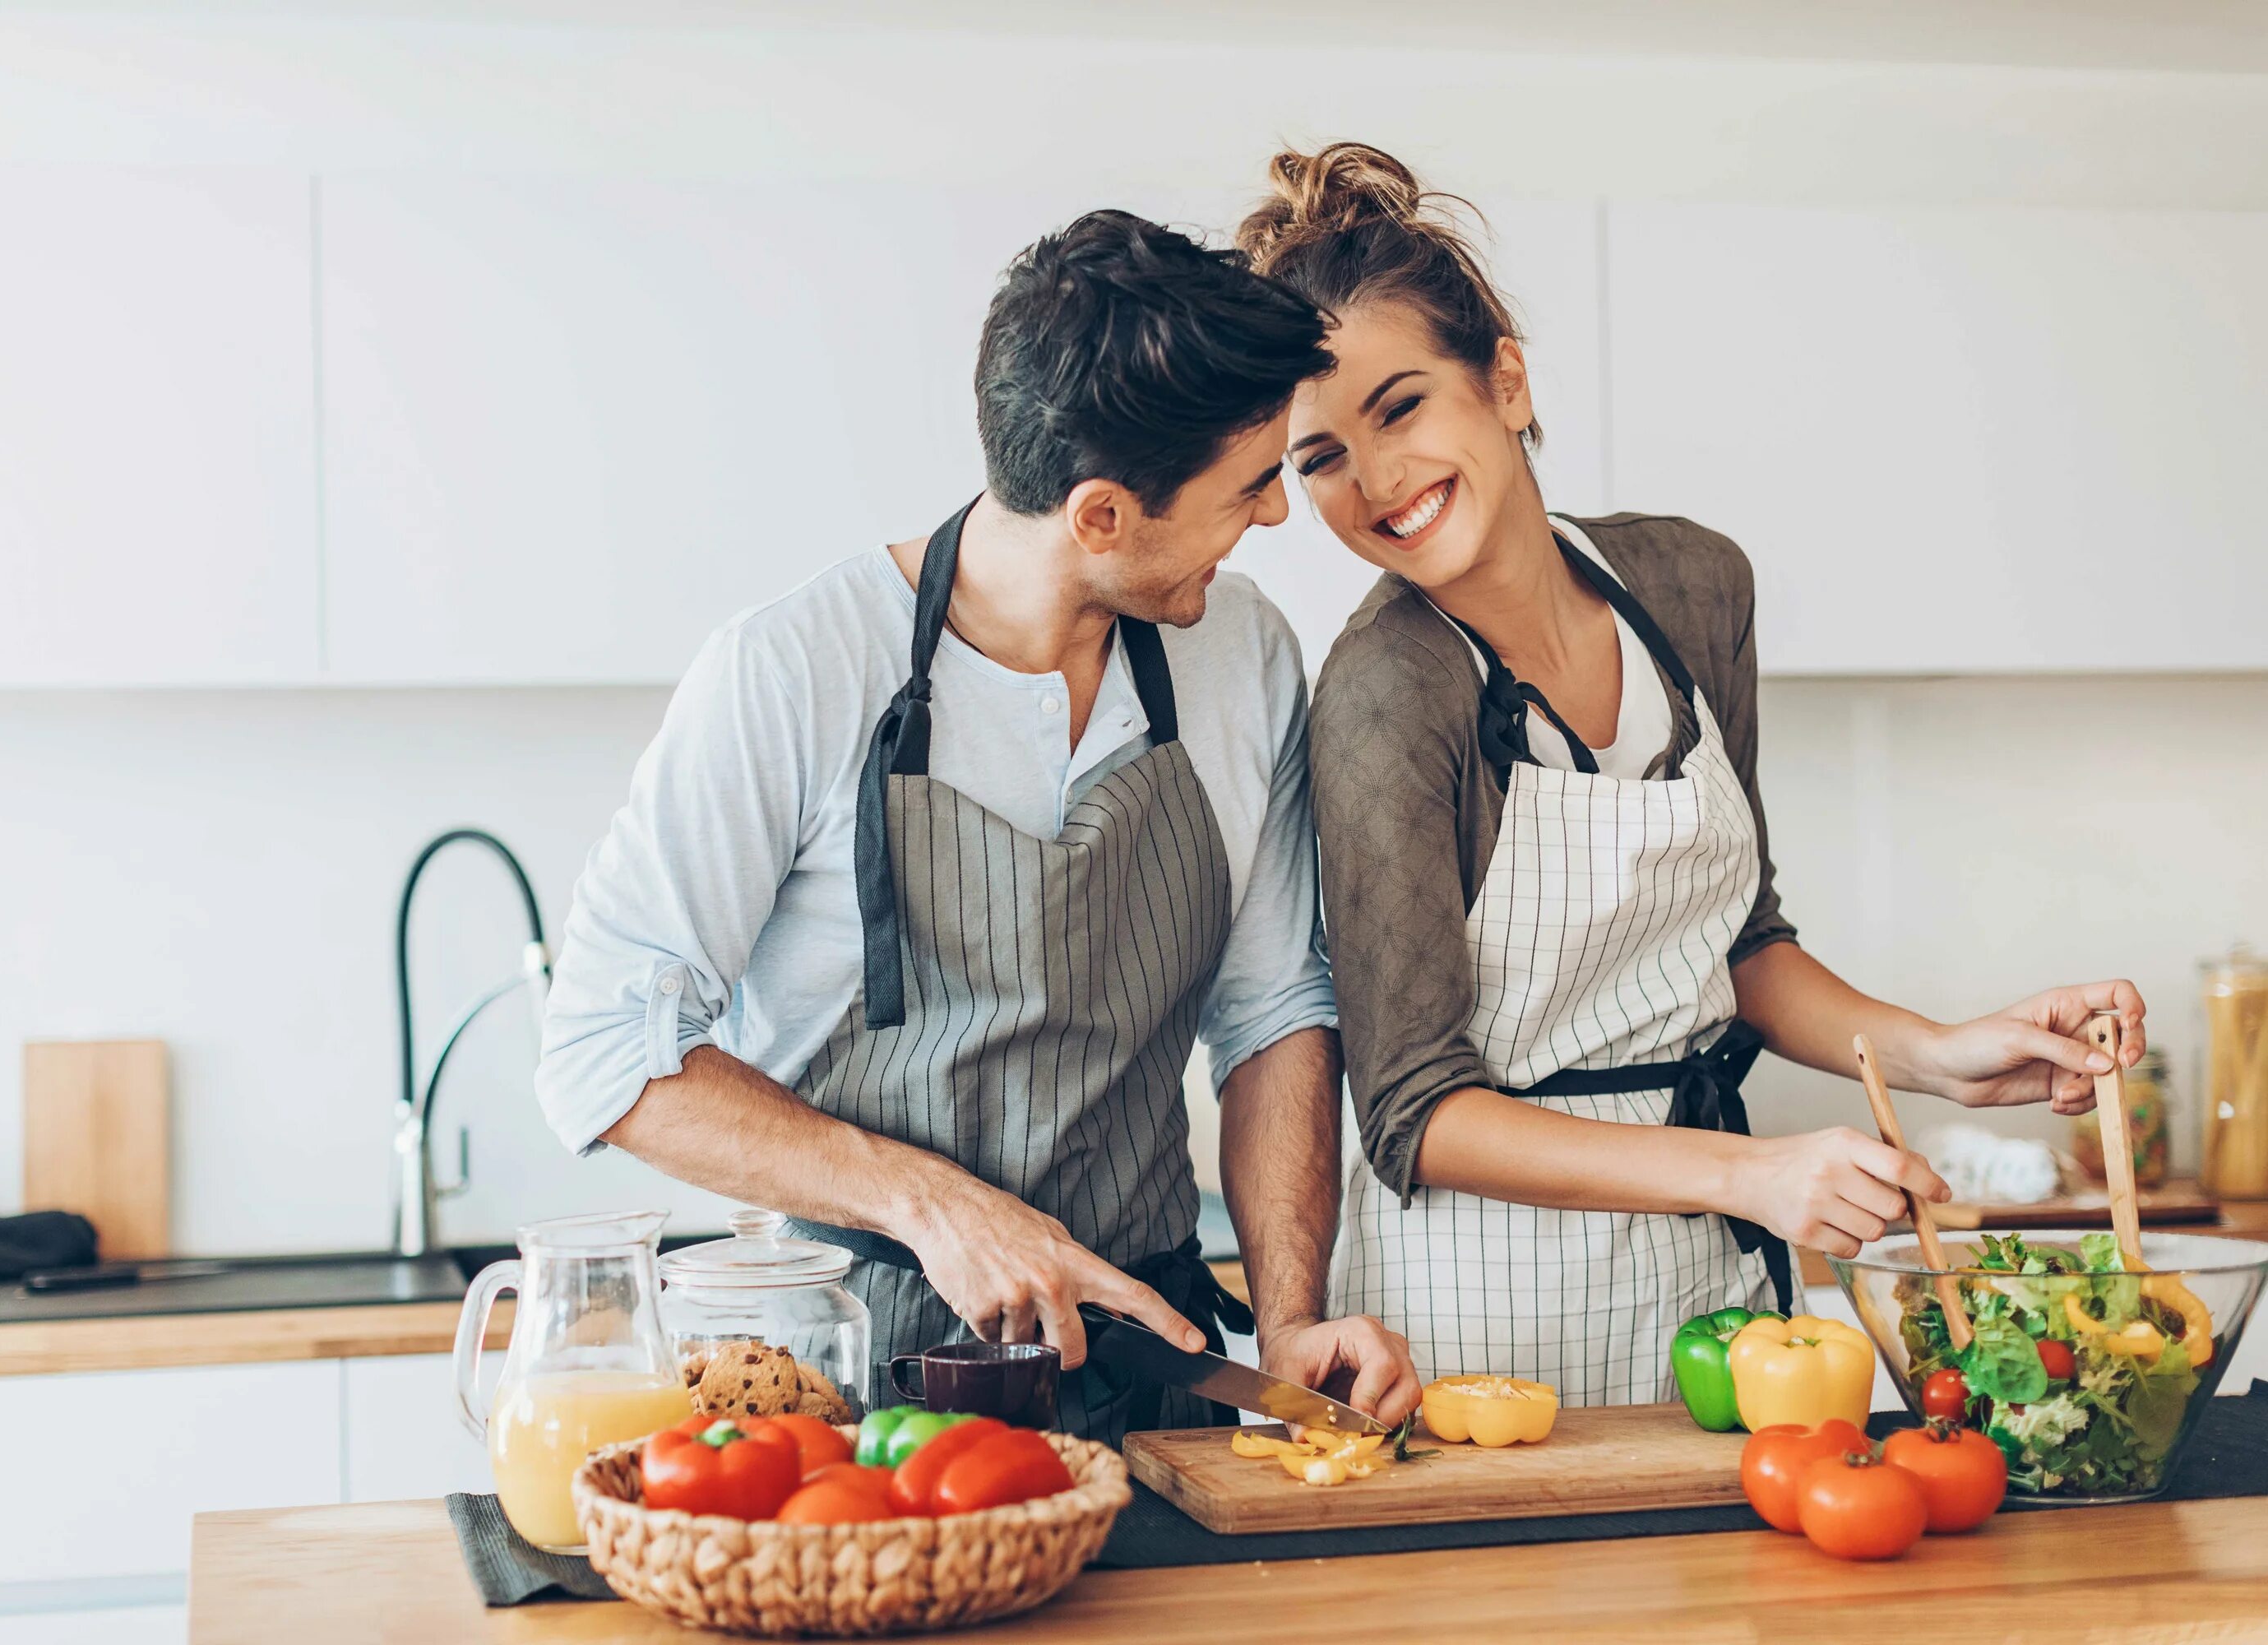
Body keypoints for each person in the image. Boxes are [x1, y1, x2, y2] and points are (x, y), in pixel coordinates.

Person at [1235, 142, 2149, 1405]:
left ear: (1503, 378)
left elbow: (1739, 946)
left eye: (1400, 408)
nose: (1374, 481)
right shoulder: (1389, 693)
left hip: (1712, 1292)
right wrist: (1751, 1175)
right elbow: (1412, 1114)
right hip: (1482, 1319)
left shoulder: (1690, 586)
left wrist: (1938, 1055)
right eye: (1318, 456)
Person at [537, 209, 1423, 1442]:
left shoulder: (1245, 654)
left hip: (1148, 1366)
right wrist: (937, 1206)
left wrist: (1285, 1323)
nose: (1274, 516)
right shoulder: (793, 672)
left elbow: (1273, 1011)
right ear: (1102, 515)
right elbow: (602, 1049)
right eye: (1246, 487)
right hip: (849, 1387)